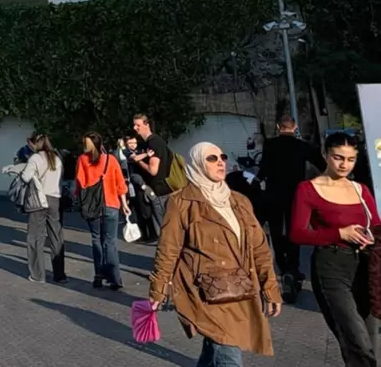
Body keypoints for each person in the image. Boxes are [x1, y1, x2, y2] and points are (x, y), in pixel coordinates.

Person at [149, 142, 281, 366]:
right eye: (212, 158)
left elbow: (259, 248)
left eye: (222, 156)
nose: (220, 162)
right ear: (198, 164)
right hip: (205, 292)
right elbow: (168, 248)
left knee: (217, 346)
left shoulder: (239, 201)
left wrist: (270, 288)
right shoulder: (181, 202)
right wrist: (159, 289)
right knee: (227, 351)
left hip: (239, 288)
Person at [290, 132, 378, 367]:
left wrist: (370, 236)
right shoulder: (308, 189)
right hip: (331, 267)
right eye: (338, 157)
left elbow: (376, 225)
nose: (344, 165)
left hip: (365, 267)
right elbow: (297, 233)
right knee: (356, 339)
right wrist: (339, 233)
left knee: (371, 340)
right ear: (325, 155)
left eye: (350, 159)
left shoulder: (361, 190)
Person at [259, 114, 325, 300]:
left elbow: (263, 168)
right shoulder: (302, 146)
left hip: (273, 195)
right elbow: (320, 164)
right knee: (294, 231)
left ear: (279, 126)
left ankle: (283, 266)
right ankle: (294, 269)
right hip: (296, 196)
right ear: (294, 127)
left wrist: (256, 180)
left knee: (277, 230)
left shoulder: (270, 145)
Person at [75, 132, 129, 290]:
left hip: (92, 206)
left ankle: (98, 275)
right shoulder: (111, 160)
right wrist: (124, 204)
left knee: (96, 239)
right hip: (111, 204)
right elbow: (121, 184)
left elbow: (79, 184)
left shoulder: (82, 160)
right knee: (110, 242)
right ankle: (115, 278)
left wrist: (78, 199)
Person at [20, 134, 66, 283]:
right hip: (54, 199)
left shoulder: (35, 158)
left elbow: (25, 178)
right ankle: (59, 274)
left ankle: (37, 274)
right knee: (56, 236)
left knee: (35, 237)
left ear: (36, 144)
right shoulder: (56, 158)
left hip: (38, 200)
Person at [131, 113, 179, 222]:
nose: (135, 128)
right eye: (134, 125)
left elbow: (153, 170)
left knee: (165, 227)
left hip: (160, 191)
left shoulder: (153, 142)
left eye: (138, 125)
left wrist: (139, 161)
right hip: (161, 190)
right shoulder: (151, 142)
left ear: (146, 124)